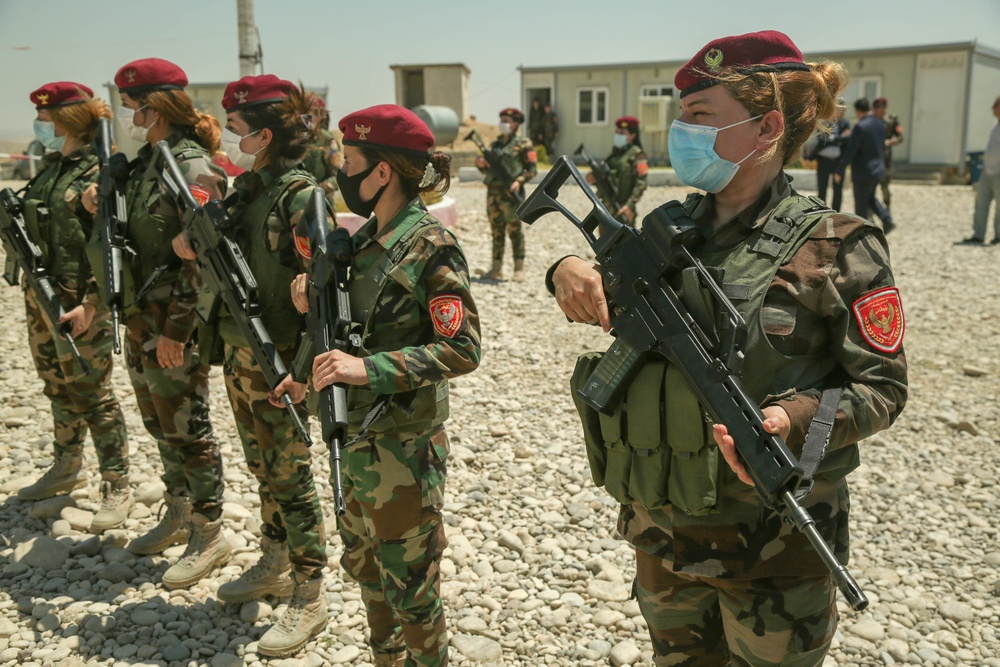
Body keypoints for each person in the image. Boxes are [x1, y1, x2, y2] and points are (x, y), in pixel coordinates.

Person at [547, 30, 908, 665]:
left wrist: (794, 425)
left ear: (766, 127)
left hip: (774, 553)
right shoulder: (670, 230)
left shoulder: (837, 246)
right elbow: (600, 278)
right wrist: (566, 267)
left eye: (699, 116)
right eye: (681, 115)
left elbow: (882, 389)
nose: (680, 131)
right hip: (662, 535)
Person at [295, 104, 482, 667]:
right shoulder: (365, 240)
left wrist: (366, 371)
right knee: (369, 574)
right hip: (355, 441)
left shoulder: (429, 245)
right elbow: (346, 332)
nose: (340, 174)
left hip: (403, 449)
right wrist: (307, 366)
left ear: (382, 172)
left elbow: (462, 348)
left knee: (412, 590)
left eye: (349, 161)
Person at [197, 74, 333, 658]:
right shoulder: (248, 187)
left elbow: (323, 296)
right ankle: (274, 560)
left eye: (239, 127)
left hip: (279, 362)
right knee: (263, 468)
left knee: (293, 478)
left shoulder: (301, 197)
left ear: (267, 133)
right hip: (240, 350)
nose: (231, 136)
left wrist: (302, 370)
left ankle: (310, 589)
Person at [81, 58, 230, 589]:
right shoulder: (146, 163)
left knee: (188, 427)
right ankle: (179, 509)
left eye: (134, 108)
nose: (130, 117)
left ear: (155, 108)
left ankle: (210, 528)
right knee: (157, 422)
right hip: (144, 318)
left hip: (174, 326)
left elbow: (209, 260)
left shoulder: (188, 167)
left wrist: (179, 329)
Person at [15, 82, 133, 534]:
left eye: (46, 118)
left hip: (82, 301)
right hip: (40, 295)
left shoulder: (98, 172)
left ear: (67, 121)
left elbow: (111, 248)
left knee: (93, 393)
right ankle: (66, 465)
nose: (40, 125)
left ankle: (115, 481)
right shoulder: (51, 168)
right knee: (56, 385)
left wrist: (90, 303)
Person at [475, 107, 537, 281]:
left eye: (507, 121)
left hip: (511, 196)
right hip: (493, 194)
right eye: (501, 119)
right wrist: (481, 164)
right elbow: (485, 170)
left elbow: (532, 170)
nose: (503, 124)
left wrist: (519, 181)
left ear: (516, 123)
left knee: (515, 231)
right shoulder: (494, 145)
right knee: (496, 231)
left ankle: (519, 268)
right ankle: (496, 268)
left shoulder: (524, 144)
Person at [836, 98, 895, 233]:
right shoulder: (880, 124)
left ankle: (862, 232)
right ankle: (887, 219)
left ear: (858, 111)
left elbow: (851, 151)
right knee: (870, 198)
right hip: (878, 169)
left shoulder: (860, 126)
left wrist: (840, 169)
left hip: (864, 172)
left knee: (861, 204)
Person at [587, 115, 648, 226]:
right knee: (604, 241)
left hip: (623, 209)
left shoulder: (638, 156)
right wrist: (594, 178)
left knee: (625, 241)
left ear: (632, 136)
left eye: (622, 133)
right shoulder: (614, 154)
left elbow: (641, 183)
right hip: (607, 207)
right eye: (617, 132)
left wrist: (629, 205)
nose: (618, 135)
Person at [961, 95, 1000, 244]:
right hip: (988, 171)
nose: (993, 109)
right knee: (981, 204)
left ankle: (998, 235)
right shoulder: (995, 125)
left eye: (995, 105)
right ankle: (978, 234)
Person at [300, 97, 342, 205]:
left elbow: (338, 177)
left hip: (322, 205)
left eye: (313, 113)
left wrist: (317, 190)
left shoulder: (326, 140)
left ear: (320, 117)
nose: (306, 117)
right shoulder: (295, 139)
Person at [812, 98, 851, 211]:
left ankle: (836, 212)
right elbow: (821, 141)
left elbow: (848, 141)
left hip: (838, 161)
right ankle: (821, 211)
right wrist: (838, 138)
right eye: (840, 110)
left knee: (838, 190)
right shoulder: (825, 122)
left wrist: (832, 139)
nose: (842, 113)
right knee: (822, 189)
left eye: (844, 110)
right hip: (824, 161)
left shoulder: (845, 124)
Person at [872, 97, 903, 213]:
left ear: (884, 108)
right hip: (873, 158)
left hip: (885, 159)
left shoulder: (891, 120)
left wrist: (891, 142)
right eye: (875, 108)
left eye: (879, 107)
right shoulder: (871, 120)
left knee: (885, 186)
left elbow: (900, 136)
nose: (877, 110)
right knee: (871, 187)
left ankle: (887, 209)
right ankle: (871, 211)